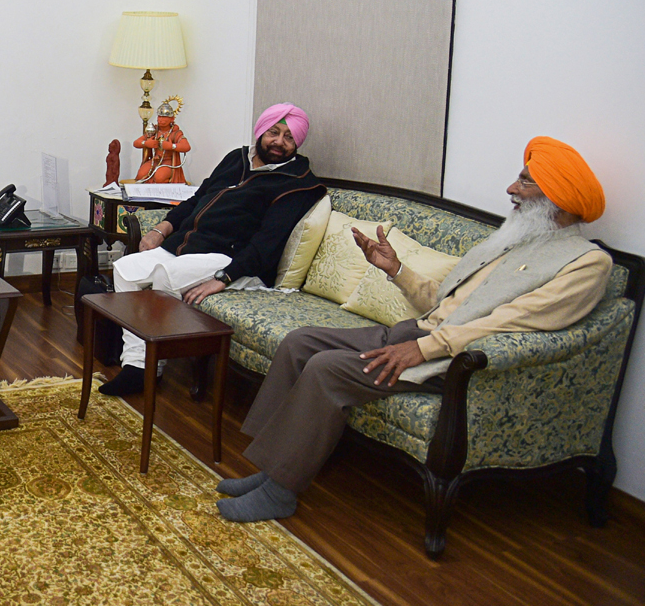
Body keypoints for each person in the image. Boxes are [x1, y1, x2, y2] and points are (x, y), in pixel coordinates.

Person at [216, 136, 612, 523]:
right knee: (300, 341)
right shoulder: (514, 240)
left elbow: (507, 325)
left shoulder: (586, 264)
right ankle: (272, 469)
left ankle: (280, 492)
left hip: (451, 363)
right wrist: (395, 269)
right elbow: (447, 302)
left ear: (556, 197)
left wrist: (426, 349)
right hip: (416, 333)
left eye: (524, 181)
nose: (511, 188)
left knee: (326, 369)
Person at [99, 103, 327, 396]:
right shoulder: (237, 158)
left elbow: (267, 244)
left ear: (298, 143)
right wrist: (161, 229)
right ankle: (136, 366)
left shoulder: (298, 184)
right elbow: (198, 198)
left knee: (163, 275)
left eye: (289, 137)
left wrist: (224, 277)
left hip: (231, 258)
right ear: (261, 131)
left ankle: (149, 367)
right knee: (125, 268)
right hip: (187, 245)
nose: (279, 142)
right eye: (274, 132)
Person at [133, 99, 191, 184]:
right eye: (159, 117)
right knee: (141, 175)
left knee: (160, 177)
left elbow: (186, 147)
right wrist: (146, 143)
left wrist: (172, 146)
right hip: (155, 160)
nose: (161, 120)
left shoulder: (175, 133)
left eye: (164, 117)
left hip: (168, 162)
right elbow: (136, 143)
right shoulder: (154, 130)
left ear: (172, 119)